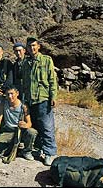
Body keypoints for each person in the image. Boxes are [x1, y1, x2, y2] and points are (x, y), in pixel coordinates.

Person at [21, 37, 58, 166]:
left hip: (43, 99)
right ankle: (38, 149)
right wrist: (24, 100)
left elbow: (52, 80)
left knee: (47, 127)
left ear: (39, 46)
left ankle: (49, 154)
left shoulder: (46, 60)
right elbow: (24, 83)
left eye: (34, 45)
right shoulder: (26, 63)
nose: (32, 48)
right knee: (35, 126)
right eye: (29, 46)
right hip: (31, 100)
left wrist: (53, 96)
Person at [0, 84, 38, 161]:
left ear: (17, 93)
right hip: (8, 131)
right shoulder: (4, 104)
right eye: (8, 94)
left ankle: (27, 151)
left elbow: (29, 123)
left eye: (12, 94)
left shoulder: (23, 105)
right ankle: (15, 150)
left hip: (20, 131)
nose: (10, 96)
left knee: (32, 132)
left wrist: (25, 125)